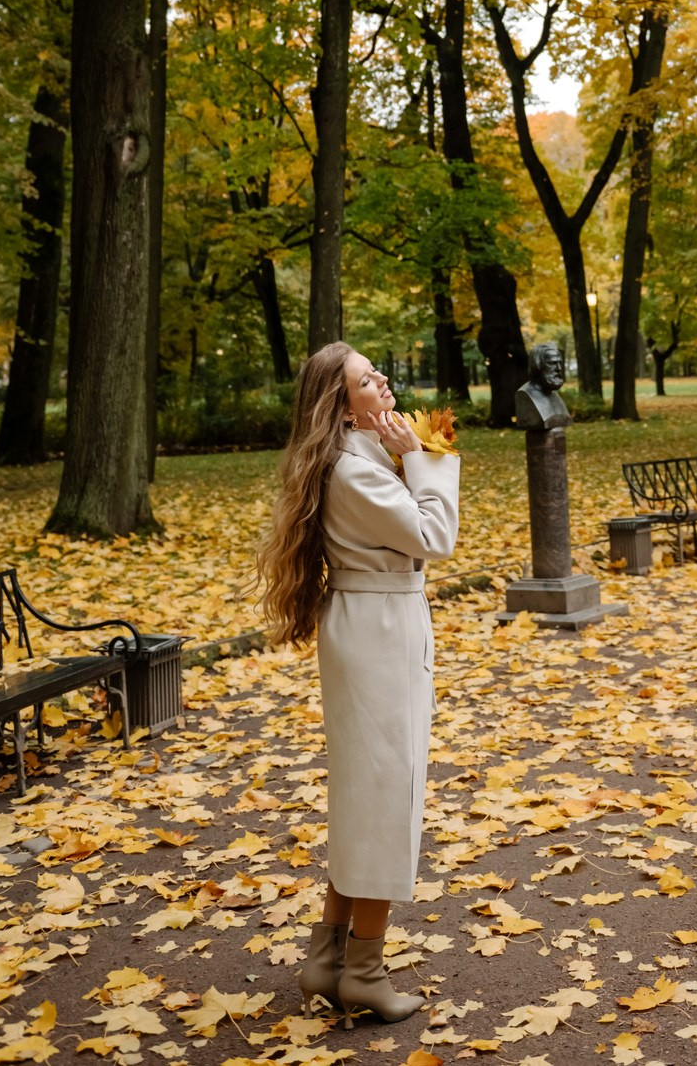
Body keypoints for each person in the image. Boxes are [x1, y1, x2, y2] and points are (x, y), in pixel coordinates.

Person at [255, 341, 460, 1024]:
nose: (384, 382)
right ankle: (364, 972)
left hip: (375, 623)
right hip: (377, 631)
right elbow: (434, 536)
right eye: (368, 380)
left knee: (366, 795)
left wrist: (406, 454)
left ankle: (328, 956)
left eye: (377, 373)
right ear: (342, 407)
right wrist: (425, 458)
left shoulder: (356, 456)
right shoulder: (353, 470)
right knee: (385, 797)